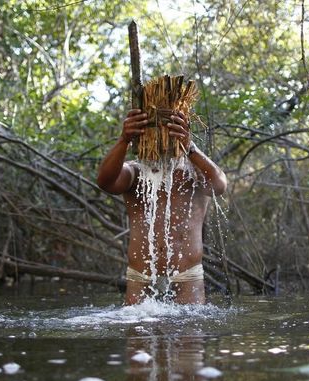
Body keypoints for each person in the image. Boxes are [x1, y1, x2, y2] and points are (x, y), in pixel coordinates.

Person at [97, 108, 227, 305]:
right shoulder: (136, 171)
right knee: (139, 332)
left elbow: (219, 185)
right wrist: (124, 140)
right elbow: (105, 182)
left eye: (170, 129)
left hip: (187, 276)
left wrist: (190, 147)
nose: (162, 135)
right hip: (141, 276)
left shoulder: (196, 171)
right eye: (155, 129)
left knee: (189, 331)